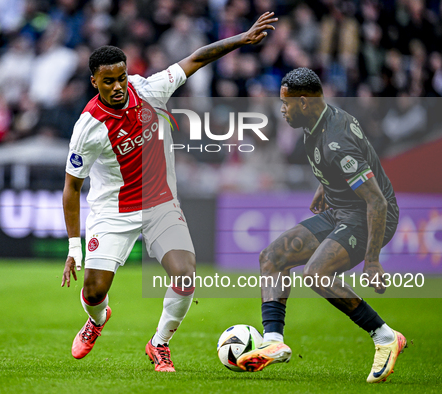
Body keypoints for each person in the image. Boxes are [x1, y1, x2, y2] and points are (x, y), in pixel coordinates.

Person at [61, 12, 278, 372]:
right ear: (94, 81)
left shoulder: (149, 89)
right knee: (94, 291)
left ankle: (159, 343)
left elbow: (196, 58)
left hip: (160, 203)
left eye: (120, 78)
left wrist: (242, 38)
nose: (116, 86)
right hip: (112, 211)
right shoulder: (88, 127)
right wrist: (73, 246)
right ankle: (96, 321)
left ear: (127, 73)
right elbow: (71, 187)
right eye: (107, 81)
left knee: (185, 274)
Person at [237, 68, 405, 383]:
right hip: (340, 209)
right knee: (271, 259)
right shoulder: (318, 121)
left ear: (303, 101)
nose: (281, 110)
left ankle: (384, 336)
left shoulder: (336, 141)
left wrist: (372, 262)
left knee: (317, 274)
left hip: (366, 215)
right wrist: (325, 185)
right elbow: (344, 164)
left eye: (285, 104)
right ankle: (273, 342)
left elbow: (377, 202)